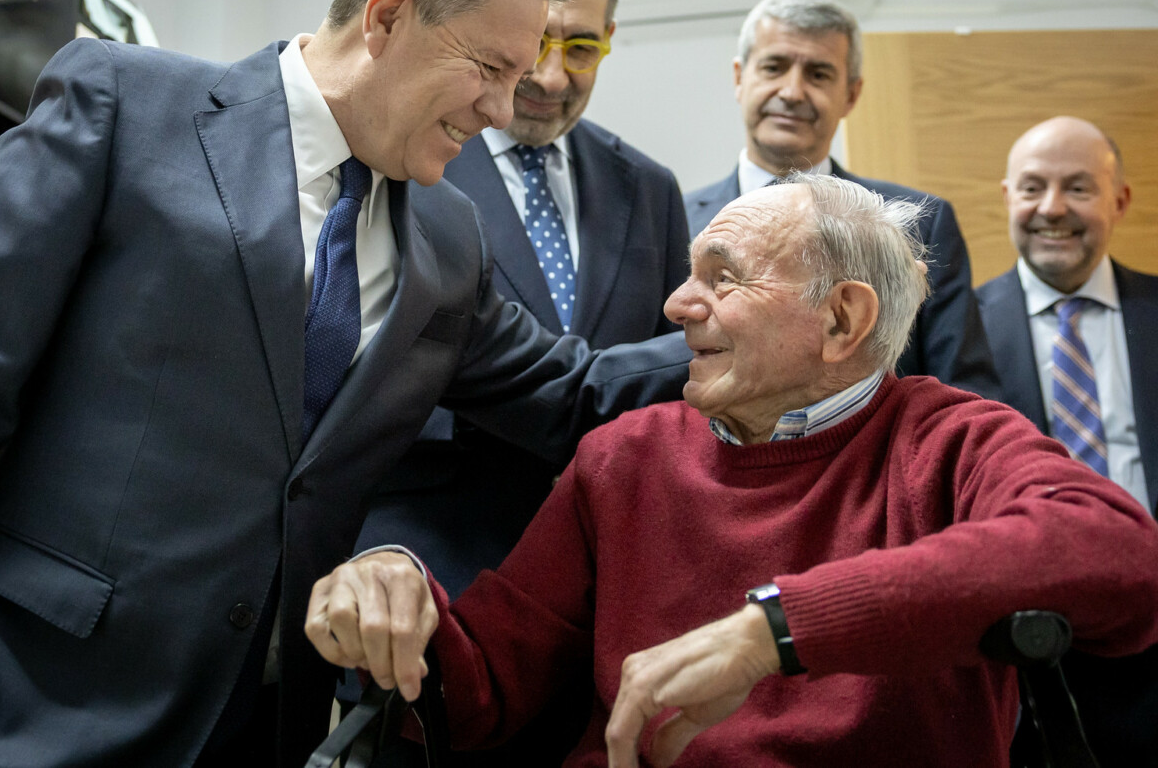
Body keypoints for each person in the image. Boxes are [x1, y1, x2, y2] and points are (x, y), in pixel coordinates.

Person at [0, 0, 693, 768]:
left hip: (262, 725)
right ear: (389, 16)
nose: (502, 109)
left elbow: (570, 392)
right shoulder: (126, 107)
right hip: (26, 697)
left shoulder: (448, 241)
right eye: (489, 69)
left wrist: (763, 327)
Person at [308, 175, 1158, 768]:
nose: (678, 306)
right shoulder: (625, 456)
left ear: (840, 319)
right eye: (687, 275)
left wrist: (774, 634)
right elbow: (481, 686)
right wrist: (394, 593)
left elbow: (1119, 553)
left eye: (723, 278)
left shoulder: (950, 441)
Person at [353, 0, 688, 764]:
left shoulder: (648, 189)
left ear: (610, 41)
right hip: (435, 569)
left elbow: (661, 395)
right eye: (535, 42)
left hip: (606, 593)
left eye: (581, 48)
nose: (547, 75)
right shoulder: (411, 152)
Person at [682, 0, 999, 396]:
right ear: (740, 77)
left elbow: (962, 391)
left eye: (818, 74)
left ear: (851, 94)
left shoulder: (919, 225)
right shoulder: (672, 219)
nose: (792, 92)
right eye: (774, 67)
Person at [977, 115, 1158, 767]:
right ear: (1007, 198)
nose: (1052, 209)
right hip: (1029, 653)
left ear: (1120, 199)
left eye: (1078, 188)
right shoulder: (955, 335)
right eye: (1032, 188)